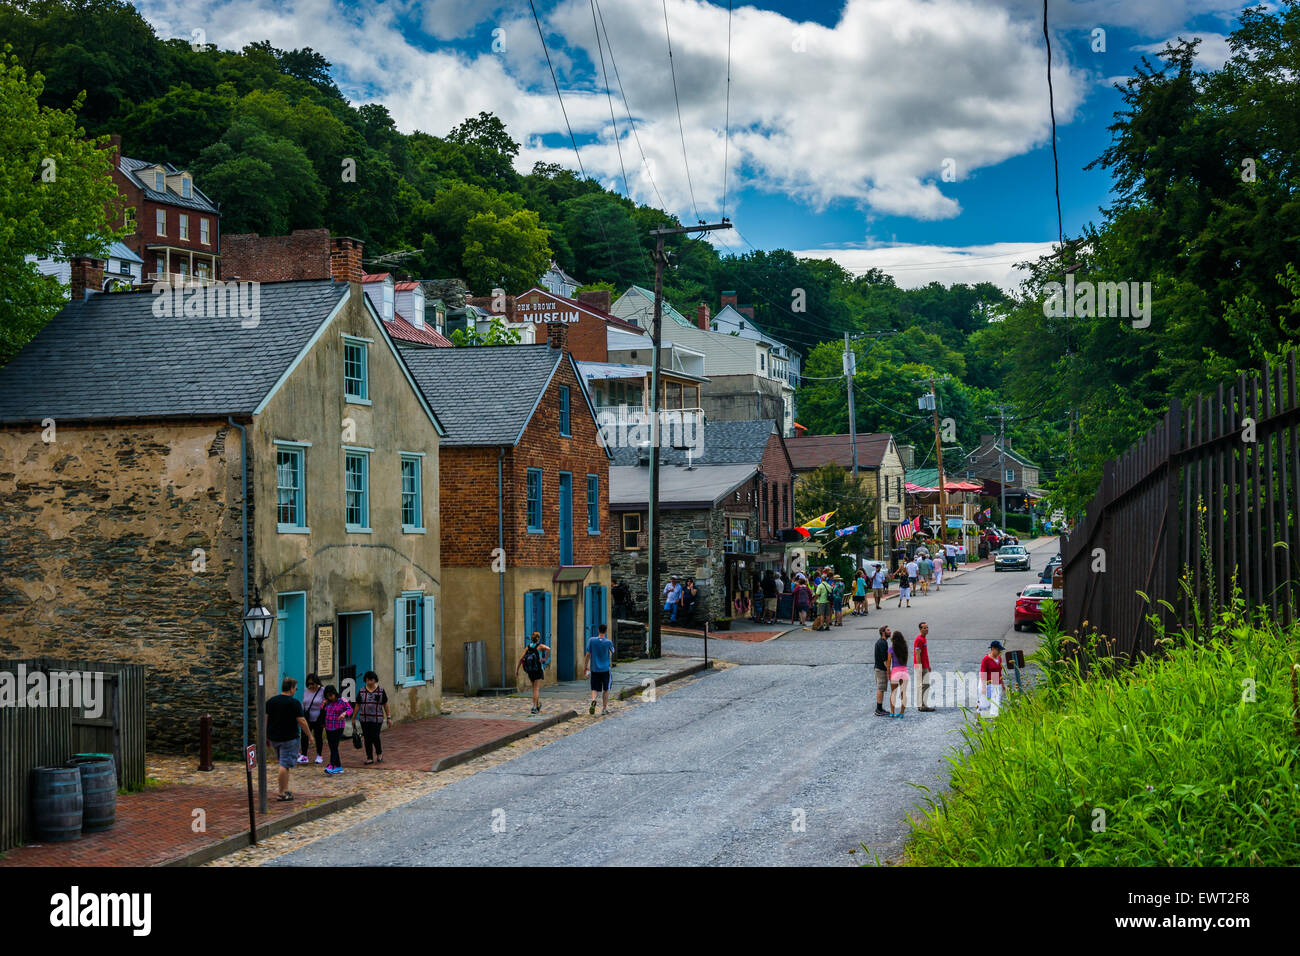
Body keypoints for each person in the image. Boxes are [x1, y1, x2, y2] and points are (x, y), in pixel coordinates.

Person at [266, 676, 312, 800]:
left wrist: (266, 735)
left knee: (283, 763)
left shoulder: (271, 701)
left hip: (275, 737)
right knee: (284, 764)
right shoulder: (293, 703)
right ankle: (281, 793)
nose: (295, 691)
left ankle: (285, 789)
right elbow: (301, 720)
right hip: (289, 738)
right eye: (295, 688)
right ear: (291, 688)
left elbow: (266, 719)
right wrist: (309, 735)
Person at [355, 670, 390, 765]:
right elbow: (358, 704)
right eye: (367, 680)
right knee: (367, 738)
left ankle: (379, 753)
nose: (369, 682)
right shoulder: (362, 691)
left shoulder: (381, 691)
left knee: (375, 736)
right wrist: (354, 718)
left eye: (371, 680)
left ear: (375, 680)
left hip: (377, 718)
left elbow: (385, 704)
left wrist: (389, 717)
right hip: (364, 719)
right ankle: (369, 757)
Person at [516, 629, 550, 714]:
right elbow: (548, 649)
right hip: (538, 669)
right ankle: (534, 707)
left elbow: (521, 659)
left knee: (533, 688)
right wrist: (545, 659)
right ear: (538, 638)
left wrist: (516, 670)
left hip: (530, 670)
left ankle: (537, 705)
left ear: (531, 638)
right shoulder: (540, 646)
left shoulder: (528, 647)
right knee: (536, 689)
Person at [321, 684, 353, 775]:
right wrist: (323, 705)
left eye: (331, 695)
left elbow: (350, 709)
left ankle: (331, 765)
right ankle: (338, 767)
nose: (330, 697)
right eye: (327, 696)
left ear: (335, 693)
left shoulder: (342, 700)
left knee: (334, 746)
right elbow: (322, 712)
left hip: (338, 727)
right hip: (328, 727)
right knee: (332, 747)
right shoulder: (327, 702)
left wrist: (344, 714)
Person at [585, 623, 615, 716]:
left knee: (594, 688)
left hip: (594, 669)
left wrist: (585, 666)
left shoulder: (591, 640)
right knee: (606, 689)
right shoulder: (608, 642)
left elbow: (587, 655)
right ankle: (604, 709)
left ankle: (594, 700)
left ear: (598, 630)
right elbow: (612, 651)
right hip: (605, 669)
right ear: (606, 631)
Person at [297, 673, 327, 765]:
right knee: (304, 736)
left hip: (318, 718)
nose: (311, 686)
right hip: (307, 717)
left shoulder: (322, 690)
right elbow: (304, 703)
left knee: (318, 737)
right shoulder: (306, 691)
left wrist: (324, 704)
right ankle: (304, 755)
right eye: (309, 684)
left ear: (317, 682)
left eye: (313, 683)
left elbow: (326, 702)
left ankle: (319, 755)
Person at [978, 640, 1005, 716]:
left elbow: (1000, 672)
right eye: (998, 650)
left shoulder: (999, 658)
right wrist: (983, 687)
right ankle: (980, 718)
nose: (999, 652)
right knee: (985, 702)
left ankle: (995, 719)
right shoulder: (986, 659)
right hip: (988, 683)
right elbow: (983, 673)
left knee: (996, 703)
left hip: (997, 681)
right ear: (992, 649)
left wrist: (1003, 684)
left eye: (1000, 650)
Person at [914, 622, 935, 711]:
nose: (927, 629)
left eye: (927, 627)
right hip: (921, 666)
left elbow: (925, 654)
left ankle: (922, 704)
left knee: (924, 685)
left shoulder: (924, 639)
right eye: (924, 628)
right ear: (920, 629)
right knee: (923, 685)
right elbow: (917, 654)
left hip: (925, 665)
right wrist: (920, 667)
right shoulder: (919, 639)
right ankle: (922, 705)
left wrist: (928, 665)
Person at [888, 630, 909, 717]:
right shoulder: (905, 648)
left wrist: (888, 672)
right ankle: (902, 712)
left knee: (893, 693)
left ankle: (892, 712)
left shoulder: (891, 649)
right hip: (904, 671)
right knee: (903, 693)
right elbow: (906, 660)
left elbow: (889, 662)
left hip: (895, 671)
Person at [873, 625, 892, 717]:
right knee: (880, 688)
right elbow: (885, 659)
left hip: (879, 668)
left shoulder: (882, 642)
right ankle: (878, 709)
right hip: (881, 669)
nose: (890, 631)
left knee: (881, 688)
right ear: (883, 632)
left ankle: (880, 708)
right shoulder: (883, 643)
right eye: (888, 630)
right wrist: (889, 671)